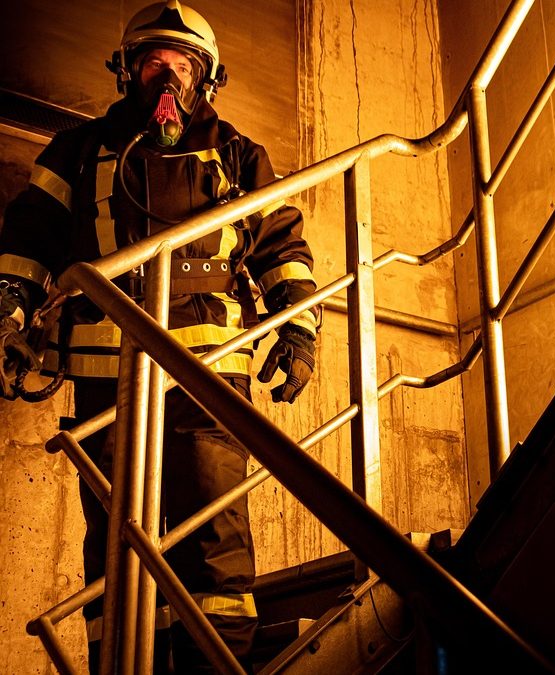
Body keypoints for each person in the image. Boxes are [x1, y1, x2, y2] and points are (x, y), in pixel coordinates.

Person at [0, 1, 319, 671]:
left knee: (213, 540)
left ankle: (213, 666)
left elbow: (282, 244)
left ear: (205, 79)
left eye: (181, 66)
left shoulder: (237, 155)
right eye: (153, 64)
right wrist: (11, 303)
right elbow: (29, 235)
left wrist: (298, 328)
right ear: (127, 71)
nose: (166, 79)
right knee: (116, 543)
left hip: (208, 381)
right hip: (106, 382)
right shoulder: (78, 152)